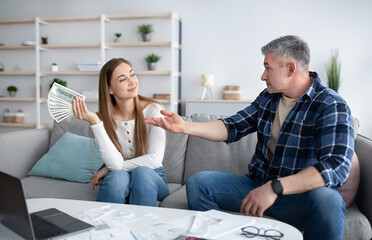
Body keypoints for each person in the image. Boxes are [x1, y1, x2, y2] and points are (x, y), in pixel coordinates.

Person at [144, 35, 354, 239]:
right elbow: (232, 126)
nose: (263, 76)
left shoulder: (330, 105)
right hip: (256, 185)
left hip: (296, 197)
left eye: (267, 68)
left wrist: (274, 188)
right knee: (199, 183)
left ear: (290, 69)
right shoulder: (268, 98)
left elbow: (336, 167)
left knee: (329, 200)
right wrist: (185, 127)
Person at [72, 58, 169, 206]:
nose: (132, 82)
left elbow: (155, 159)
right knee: (118, 178)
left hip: (153, 176)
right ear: (109, 89)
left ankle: (142, 228)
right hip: (118, 176)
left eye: (132, 74)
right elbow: (115, 166)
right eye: (123, 79)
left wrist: (107, 169)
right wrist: (95, 123)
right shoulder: (103, 118)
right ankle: (106, 228)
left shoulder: (154, 109)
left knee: (141, 173)